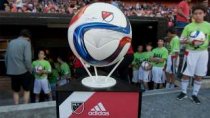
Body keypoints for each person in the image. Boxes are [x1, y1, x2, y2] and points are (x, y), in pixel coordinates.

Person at [177, 4, 210, 104]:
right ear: (192, 15)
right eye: (195, 13)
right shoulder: (188, 27)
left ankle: (195, 94)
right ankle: (183, 92)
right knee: (186, 74)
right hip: (190, 52)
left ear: (204, 14)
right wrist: (189, 41)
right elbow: (181, 40)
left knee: (199, 75)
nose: (197, 15)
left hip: (203, 53)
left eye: (200, 13)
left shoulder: (208, 26)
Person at [5, 29, 32, 104]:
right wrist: (30, 70)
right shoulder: (26, 43)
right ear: (28, 37)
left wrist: (9, 69)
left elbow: (6, 57)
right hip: (23, 71)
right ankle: (25, 106)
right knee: (27, 90)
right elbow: (27, 59)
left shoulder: (11, 42)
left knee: (15, 91)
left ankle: (16, 106)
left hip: (12, 72)